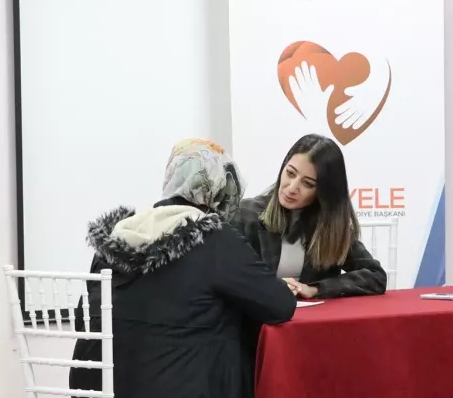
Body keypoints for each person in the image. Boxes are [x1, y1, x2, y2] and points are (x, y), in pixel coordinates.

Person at [68, 139, 296, 398]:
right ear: (220, 188)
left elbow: (85, 318)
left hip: (98, 389)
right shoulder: (214, 238)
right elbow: (280, 305)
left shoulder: (119, 234)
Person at [235, 133, 387, 299]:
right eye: (290, 173)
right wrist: (269, 287)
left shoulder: (331, 227)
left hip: (313, 315)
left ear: (324, 192)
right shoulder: (246, 214)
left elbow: (376, 276)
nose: (292, 188)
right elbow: (228, 278)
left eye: (307, 184)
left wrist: (316, 289)